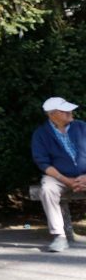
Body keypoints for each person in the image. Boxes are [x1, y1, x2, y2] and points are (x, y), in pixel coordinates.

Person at [31, 97, 86, 252]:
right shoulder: (40, 134)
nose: (71, 112)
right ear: (53, 114)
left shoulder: (82, 127)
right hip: (59, 177)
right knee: (47, 189)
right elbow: (43, 163)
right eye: (65, 111)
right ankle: (59, 236)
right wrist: (66, 180)